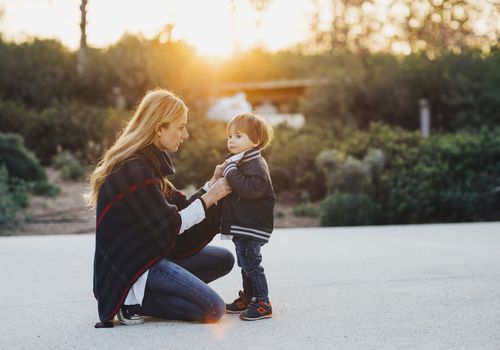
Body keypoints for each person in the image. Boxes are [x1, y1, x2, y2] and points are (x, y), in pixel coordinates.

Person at [86, 88, 234, 328]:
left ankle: (156, 296)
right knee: (213, 309)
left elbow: (178, 209)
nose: (185, 135)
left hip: (150, 254)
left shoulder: (147, 164)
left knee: (223, 259)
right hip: (133, 269)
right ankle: (130, 301)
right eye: (180, 127)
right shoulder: (133, 170)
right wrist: (209, 199)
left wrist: (210, 186)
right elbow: (171, 225)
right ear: (159, 128)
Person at [219, 113, 275, 321]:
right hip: (242, 224)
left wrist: (231, 170)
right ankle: (250, 296)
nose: (231, 140)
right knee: (244, 262)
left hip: (253, 224)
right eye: (230, 136)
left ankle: (262, 302)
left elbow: (250, 189)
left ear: (255, 141)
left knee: (251, 262)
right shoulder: (239, 162)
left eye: (238, 136)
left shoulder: (255, 164)